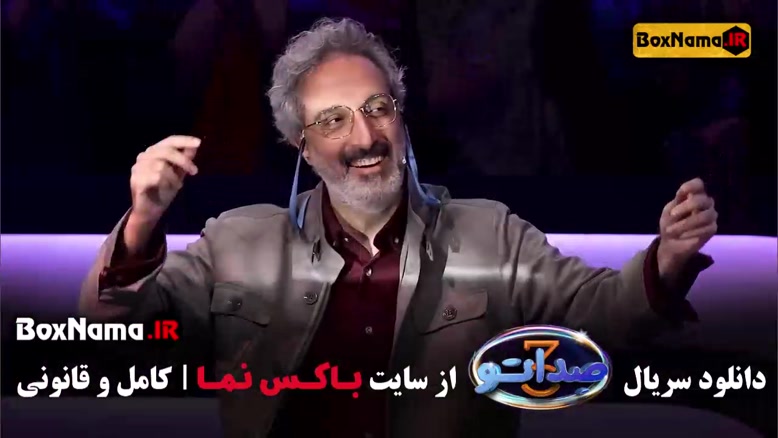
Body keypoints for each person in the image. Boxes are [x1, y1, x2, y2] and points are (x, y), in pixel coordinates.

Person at [79, 17, 718, 438]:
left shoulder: (491, 234)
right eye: (333, 121)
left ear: (401, 117)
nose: (365, 137)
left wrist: (666, 260)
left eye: (377, 108)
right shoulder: (236, 241)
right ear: (302, 146)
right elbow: (115, 335)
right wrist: (143, 221)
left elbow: (602, 317)